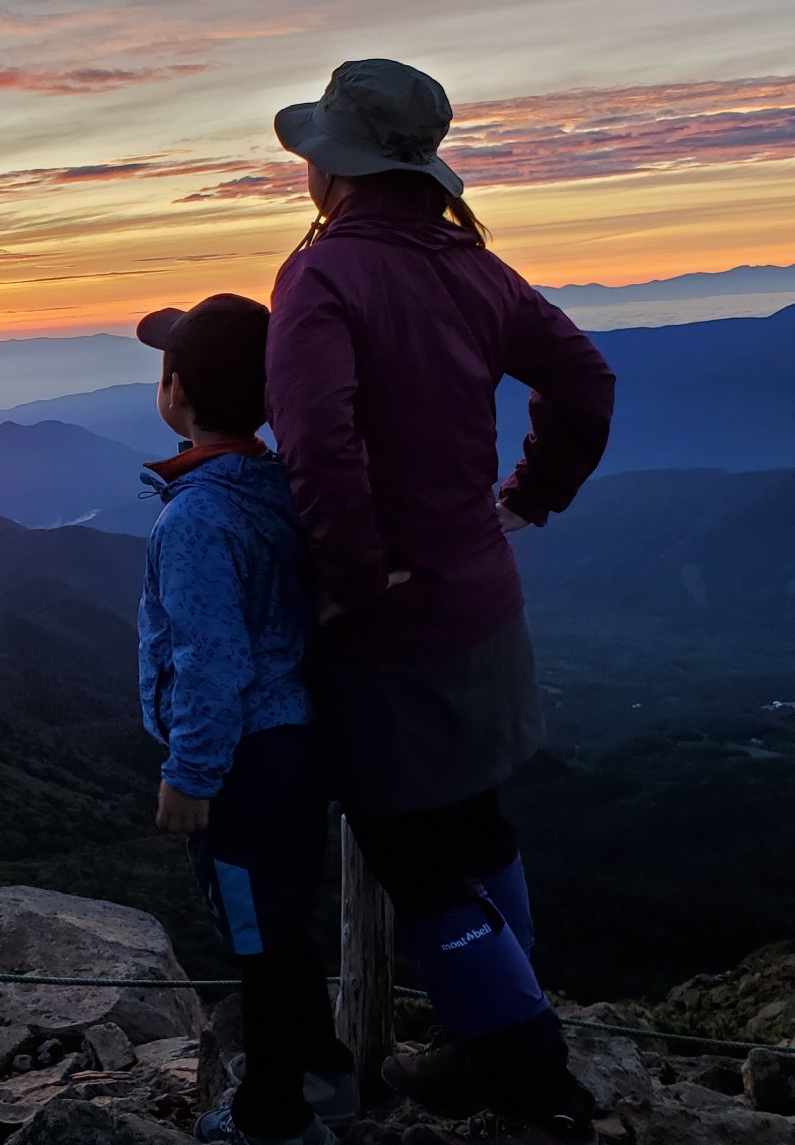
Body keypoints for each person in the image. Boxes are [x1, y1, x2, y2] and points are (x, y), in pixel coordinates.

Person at [265, 59, 616, 1133]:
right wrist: (531, 497)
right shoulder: (475, 268)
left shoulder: (323, 278)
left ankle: (526, 1076)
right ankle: (496, 1029)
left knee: (413, 852)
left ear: (337, 168)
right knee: (475, 823)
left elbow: (321, 443)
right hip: (483, 602)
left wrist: (354, 583)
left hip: (395, 625)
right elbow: (585, 382)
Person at [136, 293, 358, 1145]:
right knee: (283, 923)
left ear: (176, 390)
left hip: (242, 768)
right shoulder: (278, 486)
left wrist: (190, 775)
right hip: (296, 748)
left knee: (255, 938)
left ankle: (273, 1118)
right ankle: (325, 1078)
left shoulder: (195, 518)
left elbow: (211, 660)